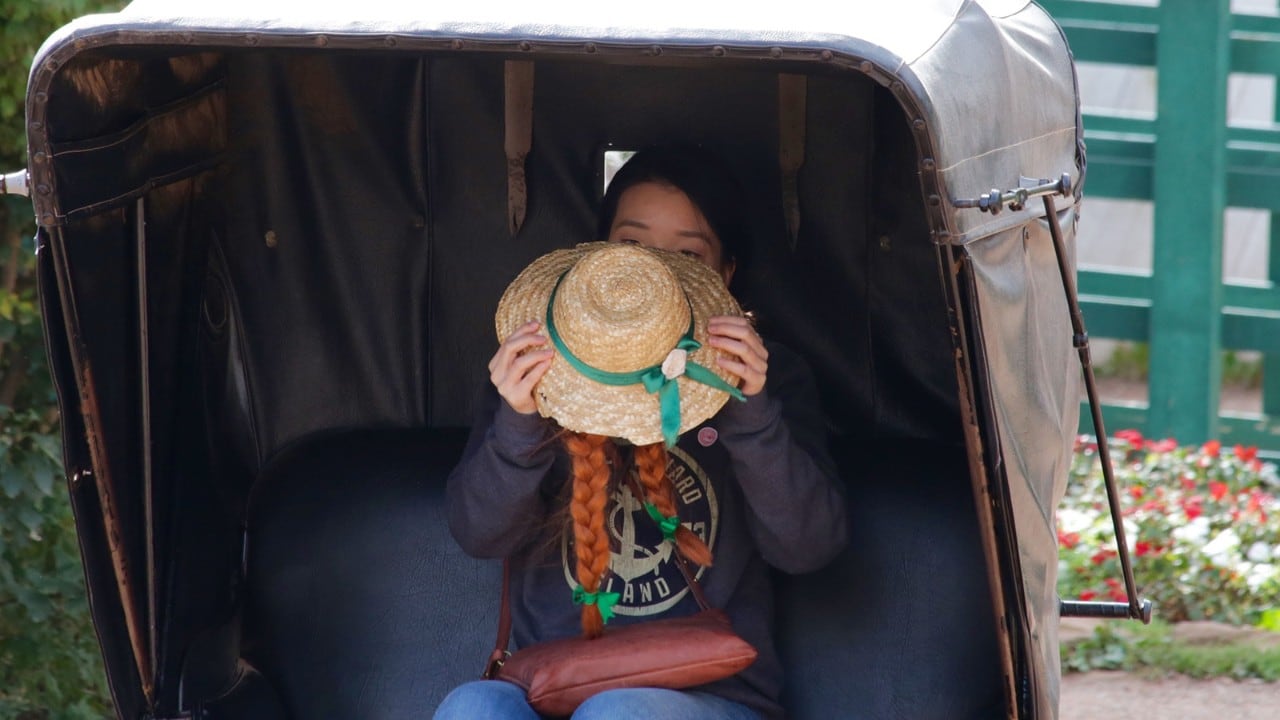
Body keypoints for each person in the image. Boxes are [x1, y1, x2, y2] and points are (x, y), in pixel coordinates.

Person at [437, 146, 848, 720]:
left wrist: (748, 411)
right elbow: (479, 535)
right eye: (632, 246)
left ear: (725, 274)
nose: (653, 271)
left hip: (713, 696)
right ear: (598, 259)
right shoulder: (535, 374)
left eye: (688, 252)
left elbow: (810, 548)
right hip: (550, 685)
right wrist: (520, 420)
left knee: (619, 714)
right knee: (472, 707)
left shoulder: (766, 377)